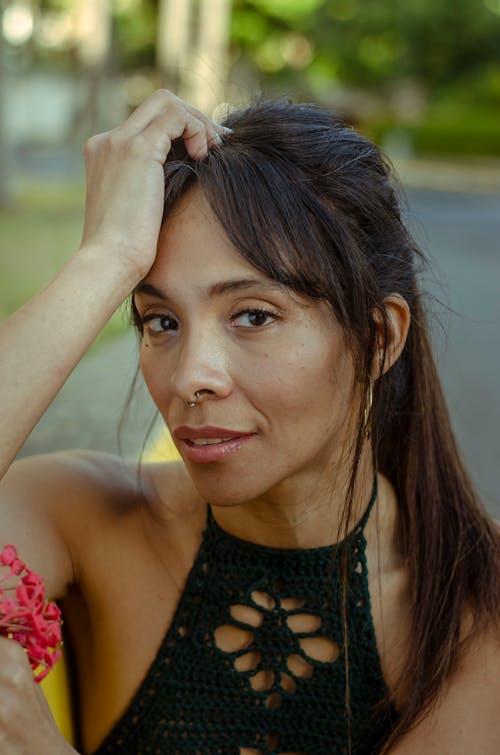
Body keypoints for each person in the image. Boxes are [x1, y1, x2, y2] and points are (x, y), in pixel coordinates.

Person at [0, 90, 498, 755]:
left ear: (378, 337)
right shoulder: (83, 516)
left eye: (253, 316)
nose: (191, 377)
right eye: (161, 321)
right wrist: (103, 260)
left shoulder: (468, 603)